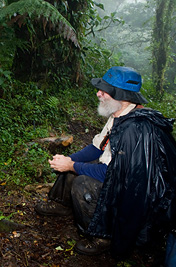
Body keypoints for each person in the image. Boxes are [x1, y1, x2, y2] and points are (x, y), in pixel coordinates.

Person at [35, 66, 176, 259]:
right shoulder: (118, 114)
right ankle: (62, 204)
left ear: (122, 96)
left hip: (134, 194)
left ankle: (102, 237)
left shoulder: (135, 129)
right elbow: (96, 148)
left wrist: (72, 166)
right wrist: (70, 160)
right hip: (115, 174)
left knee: (82, 182)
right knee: (72, 163)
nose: (98, 93)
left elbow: (114, 175)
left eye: (104, 90)